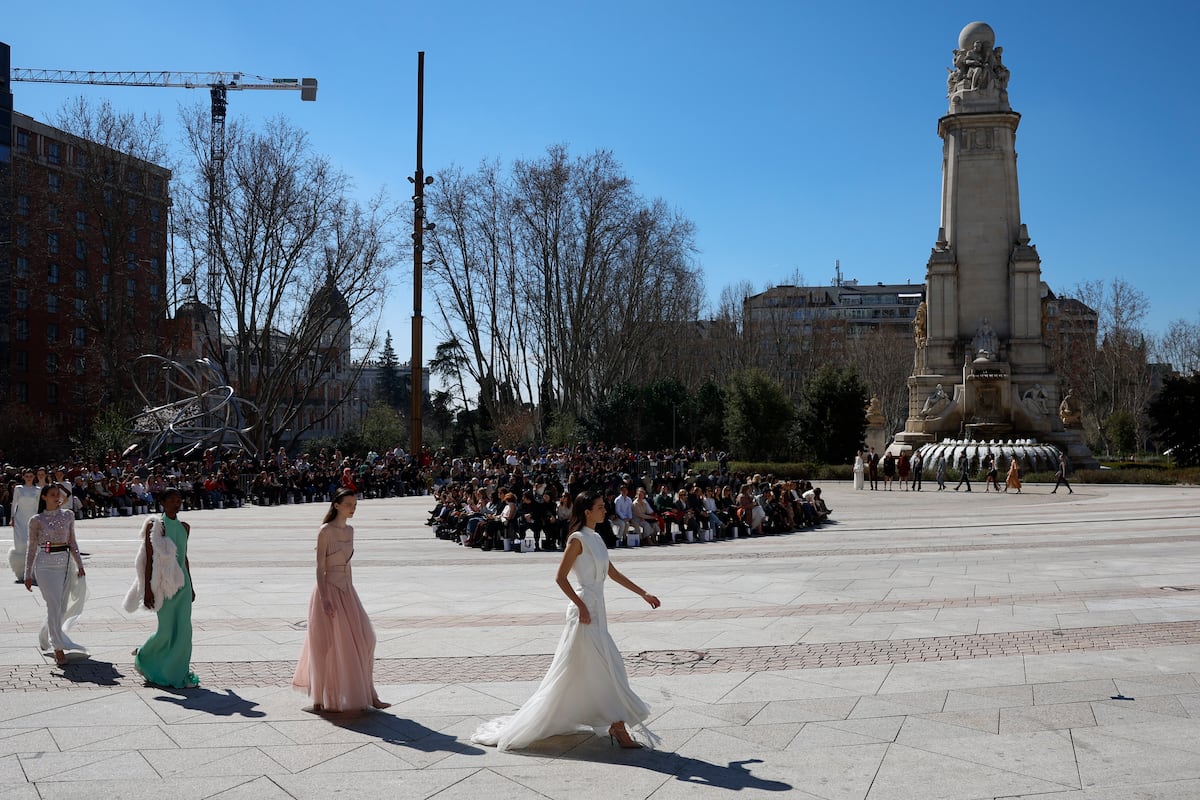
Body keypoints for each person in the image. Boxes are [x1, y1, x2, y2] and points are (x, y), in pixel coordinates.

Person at [471, 490, 661, 751]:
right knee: (610, 666)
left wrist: (643, 593)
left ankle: (610, 720)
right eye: (600, 506)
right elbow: (560, 578)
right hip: (583, 612)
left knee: (585, 669)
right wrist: (581, 605)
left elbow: (613, 573)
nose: (605, 509)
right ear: (587, 511)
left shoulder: (596, 537)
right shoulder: (577, 540)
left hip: (597, 609)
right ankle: (617, 724)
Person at [292, 488, 390, 713]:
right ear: (336, 505)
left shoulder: (351, 530)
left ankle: (369, 694)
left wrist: (352, 592)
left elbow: (348, 564)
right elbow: (320, 567)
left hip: (347, 590)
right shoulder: (325, 531)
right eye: (349, 504)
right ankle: (322, 698)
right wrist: (325, 598)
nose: (353, 508)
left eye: (355, 504)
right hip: (328, 592)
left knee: (366, 639)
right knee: (328, 645)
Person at [126, 488, 198, 688]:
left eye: (179, 500)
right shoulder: (156, 525)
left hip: (182, 587)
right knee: (166, 631)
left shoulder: (185, 527)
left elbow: (183, 557)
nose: (177, 503)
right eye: (172, 500)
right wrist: (148, 589)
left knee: (184, 631)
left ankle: (177, 673)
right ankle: (144, 655)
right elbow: (148, 559)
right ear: (163, 503)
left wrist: (191, 585)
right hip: (164, 587)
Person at [24, 483, 88, 665]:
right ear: (44, 497)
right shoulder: (36, 520)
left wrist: (80, 564)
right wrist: (27, 573)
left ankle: (46, 631)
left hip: (65, 564)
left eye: (58, 494)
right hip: (45, 564)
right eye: (52, 494)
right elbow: (32, 547)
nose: (57, 497)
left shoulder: (68, 515)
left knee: (61, 606)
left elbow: (72, 541)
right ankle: (58, 647)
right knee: (53, 605)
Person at [9, 469, 41, 580]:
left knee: (32, 545)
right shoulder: (18, 489)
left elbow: (38, 506)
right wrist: (12, 518)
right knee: (21, 544)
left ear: (34, 477)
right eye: (26, 476)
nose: (28, 478)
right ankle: (21, 572)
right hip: (19, 520)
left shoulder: (37, 489)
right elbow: (14, 504)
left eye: (31, 476)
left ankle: (32, 572)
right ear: (23, 477)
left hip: (32, 519)